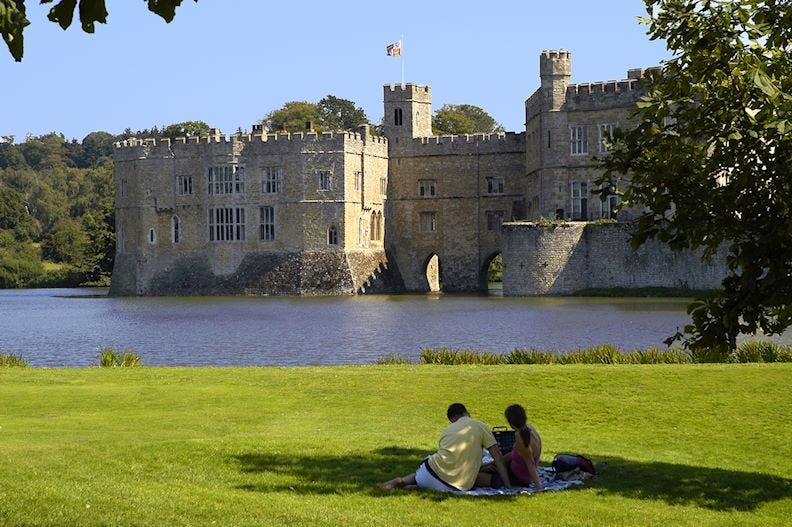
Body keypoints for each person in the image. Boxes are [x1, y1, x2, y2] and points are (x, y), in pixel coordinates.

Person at [380, 403, 511, 492]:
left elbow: (453, 459)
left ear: (453, 419)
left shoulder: (448, 430)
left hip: (428, 473)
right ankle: (420, 486)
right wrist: (508, 486)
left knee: (420, 475)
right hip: (456, 485)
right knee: (485, 478)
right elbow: (498, 458)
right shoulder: (479, 425)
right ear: (468, 413)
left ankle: (404, 481)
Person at [476, 404, 543, 490]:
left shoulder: (521, 438)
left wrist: (538, 487)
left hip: (519, 478)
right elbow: (515, 454)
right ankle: (485, 467)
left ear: (511, 424)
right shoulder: (529, 429)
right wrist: (493, 462)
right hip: (514, 468)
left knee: (477, 476)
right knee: (487, 467)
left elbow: (530, 464)